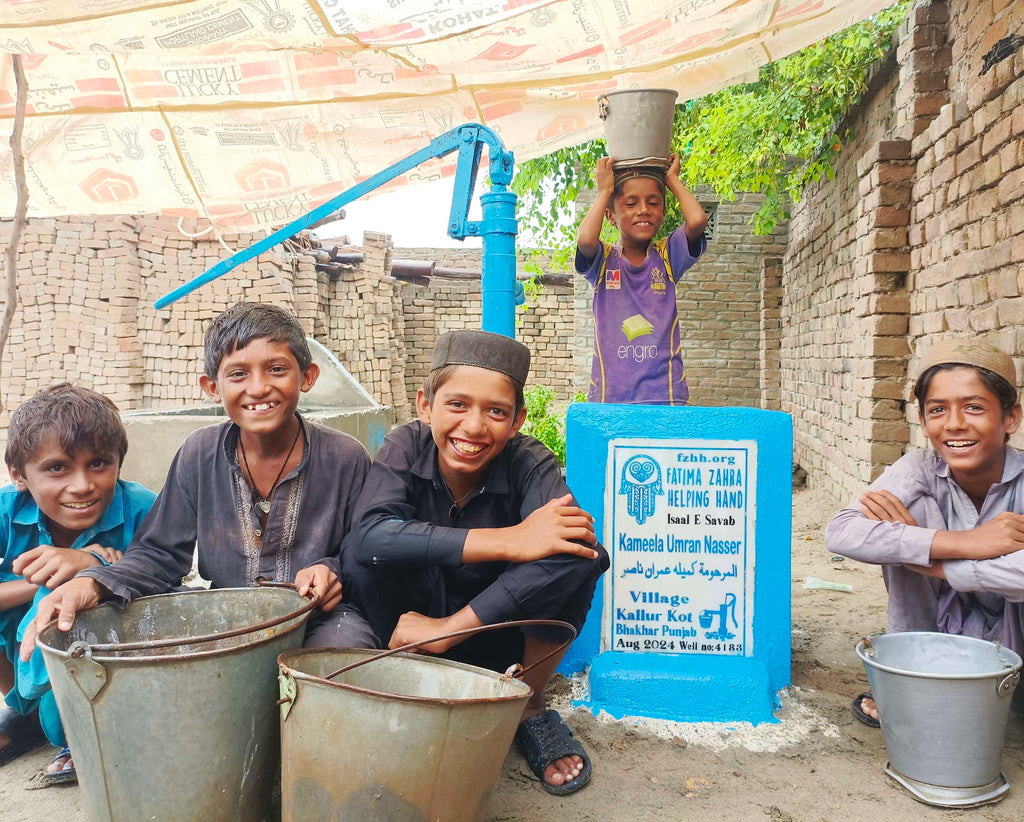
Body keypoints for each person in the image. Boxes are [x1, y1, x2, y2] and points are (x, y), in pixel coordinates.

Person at [21, 302, 379, 669]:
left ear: (306, 377)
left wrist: (331, 569)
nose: (258, 388)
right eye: (238, 374)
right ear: (212, 387)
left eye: (276, 369)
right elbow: (158, 553)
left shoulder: (345, 457)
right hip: (224, 620)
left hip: (320, 619)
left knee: (346, 654)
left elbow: (365, 552)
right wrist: (94, 583)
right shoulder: (199, 452)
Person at [342, 329, 609, 796]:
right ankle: (404, 689)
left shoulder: (530, 462)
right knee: (362, 554)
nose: (473, 426)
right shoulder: (405, 445)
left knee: (579, 559)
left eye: (496, 411)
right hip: (407, 640)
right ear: (425, 405)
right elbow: (369, 536)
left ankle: (527, 706)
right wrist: (511, 540)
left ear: (517, 420)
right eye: (457, 404)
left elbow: (583, 550)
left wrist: (452, 628)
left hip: (494, 647)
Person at [826, 337, 1024, 726]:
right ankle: (914, 675)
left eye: (974, 407)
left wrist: (933, 563)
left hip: (1015, 645)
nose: (954, 423)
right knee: (901, 521)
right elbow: (841, 531)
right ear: (922, 421)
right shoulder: (919, 468)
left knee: (902, 538)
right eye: (938, 409)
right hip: (942, 636)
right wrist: (966, 543)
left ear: (1010, 418)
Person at [1, 383, 156, 784]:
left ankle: (73, 726)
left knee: (60, 721)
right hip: (24, 656)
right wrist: (54, 576)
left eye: (99, 463)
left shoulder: (143, 508)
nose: (82, 484)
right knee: (49, 595)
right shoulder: (5, 510)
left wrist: (94, 570)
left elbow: (167, 586)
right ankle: (23, 711)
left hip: (104, 657)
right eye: (57, 468)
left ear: (119, 463)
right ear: (19, 475)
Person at [576, 153, 708, 405]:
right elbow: (585, 240)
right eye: (631, 203)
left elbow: (698, 220)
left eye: (654, 203)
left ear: (662, 212)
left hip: (665, 396)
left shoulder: (667, 256)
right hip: (612, 398)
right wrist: (605, 190)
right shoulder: (604, 261)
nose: (644, 210)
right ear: (610, 216)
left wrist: (672, 179)